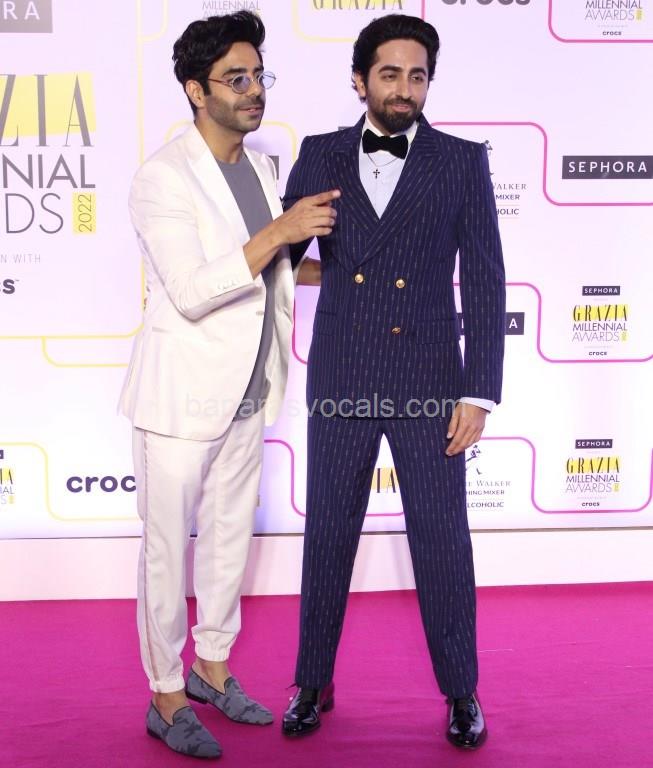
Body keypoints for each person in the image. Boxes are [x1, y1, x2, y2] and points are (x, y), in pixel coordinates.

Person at [281, 13, 505, 751]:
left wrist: (479, 391)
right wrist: (308, 255)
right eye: (389, 74)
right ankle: (311, 680)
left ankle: (462, 691)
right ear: (359, 80)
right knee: (328, 534)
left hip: (431, 381)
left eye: (417, 76)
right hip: (343, 373)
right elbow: (281, 260)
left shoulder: (460, 160)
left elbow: (484, 277)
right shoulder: (318, 153)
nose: (404, 88)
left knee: (442, 539)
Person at [119, 11, 337, 759]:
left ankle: (211, 667)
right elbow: (190, 290)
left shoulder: (264, 170)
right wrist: (281, 231)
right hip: (180, 397)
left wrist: (344, 274)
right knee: (166, 551)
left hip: (251, 387)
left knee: (228, 540)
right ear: (196, 89)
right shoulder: (162, 176)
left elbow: (274, 273)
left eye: (258, 74)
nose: (253, 90)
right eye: (235, 78)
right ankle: (165, 692)